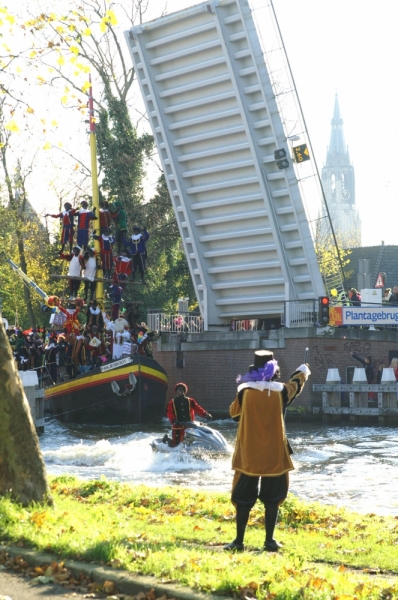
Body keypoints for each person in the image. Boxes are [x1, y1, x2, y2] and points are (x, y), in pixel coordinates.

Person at [224, 350, 310, 553]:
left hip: (249, 453)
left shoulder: (244, 391)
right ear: (274, 371)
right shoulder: (281, 391)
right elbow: (295, 386)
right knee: (272, 499)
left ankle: (238, 541)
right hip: (273, 453)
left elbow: (234, 414)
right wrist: (302, 372)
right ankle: (269, 541)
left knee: (243, 499)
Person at [164, 382, 212, 447]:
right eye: (178, 390)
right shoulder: (172, 402)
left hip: (189, 425)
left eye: (181, 390)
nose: (180, 391)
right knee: (175, 444)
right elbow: (169, 412)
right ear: (176, 391)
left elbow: (197, 408)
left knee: (190, 441)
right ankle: (167, 439)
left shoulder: (190, 401)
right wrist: (174, 420)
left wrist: (205, 414)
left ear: (184, 391)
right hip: (178, 426)